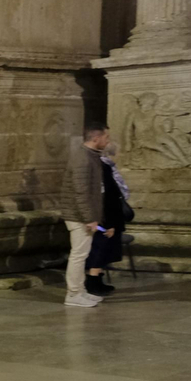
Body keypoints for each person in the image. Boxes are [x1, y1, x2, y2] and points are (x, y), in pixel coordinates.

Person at [64, 123, 109, 308]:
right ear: (96, 138)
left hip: (84, 215)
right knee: (78, 255)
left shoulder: (90, 156)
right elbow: (80, 191)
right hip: (79, 216)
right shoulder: (82, 158)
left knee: (82, 254)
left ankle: (80, 290)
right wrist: (89, 218)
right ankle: (73, 293)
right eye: (106, 137)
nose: (108, 141)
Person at [86, 143, 133, 292]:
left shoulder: (106, 167)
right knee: (101, 248)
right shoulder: (103, 168)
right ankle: (93, 282)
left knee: (105, 249)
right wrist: (110, 223)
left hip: (109, 215)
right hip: (106, 216)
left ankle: (98, 280)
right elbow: (107, 196)